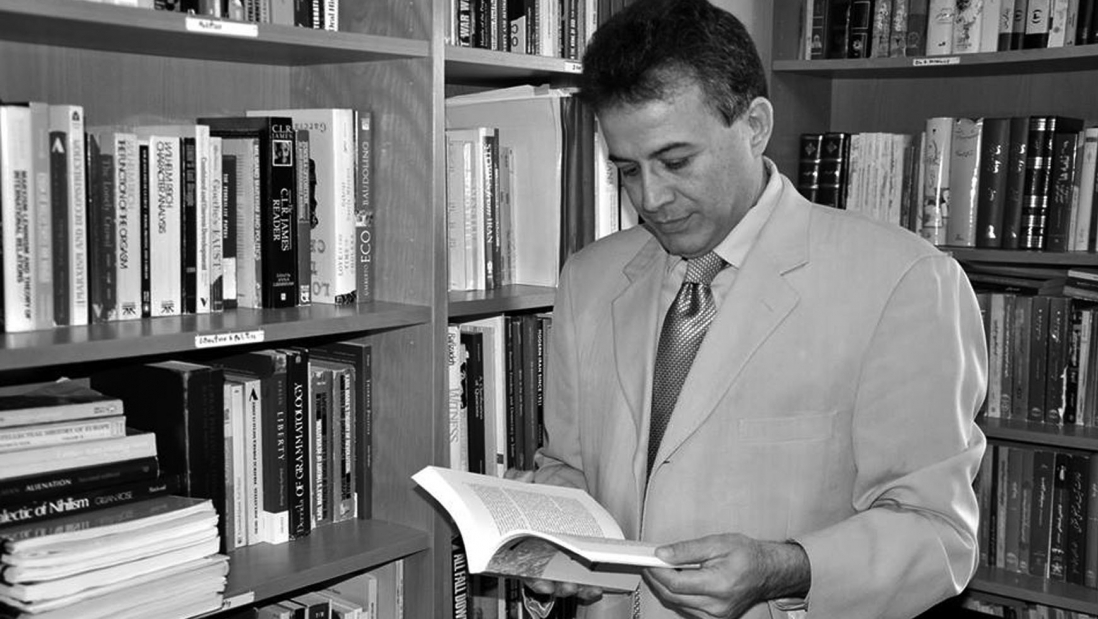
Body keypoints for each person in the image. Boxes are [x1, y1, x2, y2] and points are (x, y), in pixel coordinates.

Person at [524, 0, 989, 617]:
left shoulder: (904, 282)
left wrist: (784, 568)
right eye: (627, 170)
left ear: (755, 125)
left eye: (676, 161)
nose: (651, 198)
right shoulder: (589, 278)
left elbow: (938, 535)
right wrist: (548, 548)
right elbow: (568, 469)